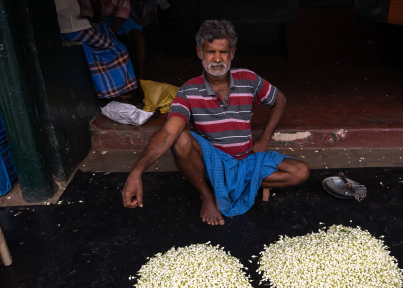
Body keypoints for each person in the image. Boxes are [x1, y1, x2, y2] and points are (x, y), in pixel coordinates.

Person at [122, 20, 309, 226]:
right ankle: (207, 196)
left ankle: (230, 184)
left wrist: (264, 139)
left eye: (224, 52)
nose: (217, 59)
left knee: (300, 172)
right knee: (180, 139)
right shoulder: (188, 90)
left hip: (246, 160)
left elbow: (279, 99)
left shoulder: (248, 79)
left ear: (233, 52)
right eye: (211, 52)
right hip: (213, 163)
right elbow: (169, 131)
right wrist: (136, 172)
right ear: (200, 52)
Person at [55, 0, 138, 102]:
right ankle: (118, 92)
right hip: (73, 29)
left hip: (72, 27)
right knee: (118, 49)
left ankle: (114, 91)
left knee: (98, 50)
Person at [80, 0, 146, 81]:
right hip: (101, 21)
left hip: (121, 19)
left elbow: (123, 11)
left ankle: (141, 77)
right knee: (109, 43)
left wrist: (114, 29)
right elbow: (87, 13)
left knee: (139, 38)